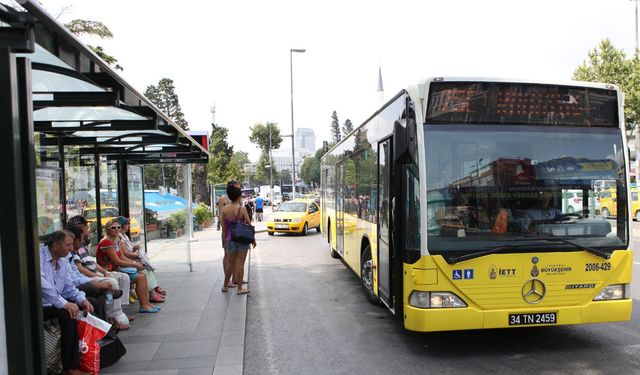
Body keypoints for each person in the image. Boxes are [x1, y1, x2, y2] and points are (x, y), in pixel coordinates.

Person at [40, 230, 94, 375]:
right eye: (68, 245)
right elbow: (44, 287)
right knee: (67, 314)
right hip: (39, 305)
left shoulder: (62, 262)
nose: (71, 248)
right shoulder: (39, 257)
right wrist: (64, 304)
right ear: (56, 245)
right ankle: (70, 368)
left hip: (54, 302)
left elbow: (69, 288)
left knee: (90, 303)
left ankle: (88, 353)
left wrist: (82, 300)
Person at [66, 225, 131, 330]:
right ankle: (111, 319)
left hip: (82, 280)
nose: (87, 232)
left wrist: (102, 274)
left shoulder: (73, 252)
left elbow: (79, 273)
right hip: (76, 285)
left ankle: (110, 319)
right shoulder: (68, 255)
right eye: (85, 230)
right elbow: (77, 275)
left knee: (101, 293)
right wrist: (96, 281)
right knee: (101, 289)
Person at [96, 219, 159, 313]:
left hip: (117, 269)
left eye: (118, 227)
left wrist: (135, 264)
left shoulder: (115, 240)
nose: (117, 229)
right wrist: (135, 265)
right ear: (108, 230)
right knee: (141, 277)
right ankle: (144, 305)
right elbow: (117, 261)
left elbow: (121, 256)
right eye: (113, 227)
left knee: (143, 273)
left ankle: (146, 303)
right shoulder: (106, 242)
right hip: (109, 271)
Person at [116, 216, 166, 302]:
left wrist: (135, 251)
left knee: (147, 266)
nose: (129, 226)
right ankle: (152, 293)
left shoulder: (124, 236)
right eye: (127, 224)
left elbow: (124, 254)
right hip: (124, 263)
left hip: (129, 260)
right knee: (144, 270)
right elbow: (123, 255)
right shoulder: (118, 238)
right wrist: (135, 261)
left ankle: (154, 289)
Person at [220, 183, 256, 295]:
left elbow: (224, 227)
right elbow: (249, 225)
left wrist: (226, 240)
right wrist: (253, 239)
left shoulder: (224, 210)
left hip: (230, 238)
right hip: (242, 239)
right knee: (240, 264)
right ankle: (240, 289)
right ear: (239, 196)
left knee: (230, 264)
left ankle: (225, 286)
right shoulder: (242, 209)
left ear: (229, 196)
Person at [218, 180, 240, 287]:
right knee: (227, 255)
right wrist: (225, 231)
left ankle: (235, 278)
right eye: (237, 187)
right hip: (228, 229)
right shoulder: (223, 199)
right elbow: (221, 216)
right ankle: (228, 280)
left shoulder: (237, 198)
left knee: (236, 254)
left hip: (237, 230)